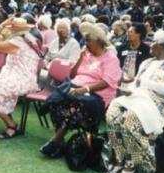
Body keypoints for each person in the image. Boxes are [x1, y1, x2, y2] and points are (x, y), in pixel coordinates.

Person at [105, 30, 164, 173]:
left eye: (153, 42)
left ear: (162, 46)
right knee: (113, 113)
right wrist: (129, 90)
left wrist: (144, 84)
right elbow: (136, 84)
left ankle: (133, 163)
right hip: (139, 100)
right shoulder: (147, 62)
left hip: (162, 107)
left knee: (129, 119)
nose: (150, 44)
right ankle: (119, 158)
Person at [40, 22, 121, 158]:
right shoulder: (86, 55)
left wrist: (85, 89)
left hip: (97, 96)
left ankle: (54, 142)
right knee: (56, 105)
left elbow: (106, 83)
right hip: (76, 90)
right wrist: (80, 59)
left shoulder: (110, 59)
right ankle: (59, 143)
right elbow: (71, 75)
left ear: (98, 41)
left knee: (72, 108)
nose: (85, 43)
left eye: (88, 40)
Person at [0, 18, 46, 138]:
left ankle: (12, 125)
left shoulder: (18, 41)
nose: (10, 31)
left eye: (11, 29)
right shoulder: (27, 39)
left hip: (22, 79)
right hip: (8, 76)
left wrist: (0, 27)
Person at [117, 23, 151, 90]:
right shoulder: (121, 48)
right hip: (120, 80)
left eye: (130, 32)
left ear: (139, 34)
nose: (127, 34)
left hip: (137, 83)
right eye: (127, 32)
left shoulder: (147, 50)